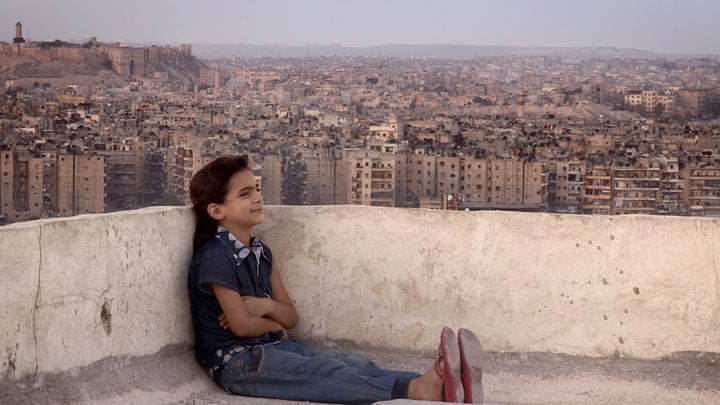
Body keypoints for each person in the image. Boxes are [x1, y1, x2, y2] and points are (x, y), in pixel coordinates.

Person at [187, 155, 483, 404]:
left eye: (256, 189)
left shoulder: (263, 253)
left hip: (270, 348)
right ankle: (416, 390)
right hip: (237, 363)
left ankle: (444, 386)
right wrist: (275, 326)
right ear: (216, 210)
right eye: (245, 194)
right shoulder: (216, 254)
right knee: (323, 372)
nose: (258, 198)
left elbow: (291, 317)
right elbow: (242, 326)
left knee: (352, 363)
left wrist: (264, 307)